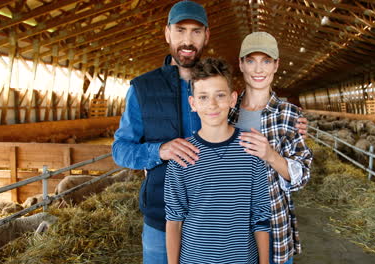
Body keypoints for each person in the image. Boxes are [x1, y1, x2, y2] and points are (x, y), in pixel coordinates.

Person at [112, 1, 308, 263]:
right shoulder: (142, 89)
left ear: (207, 35)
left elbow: (257, 112)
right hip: (163, 218)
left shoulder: (222, 93)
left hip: (228, 226)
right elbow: (120, 149)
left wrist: (289, 125)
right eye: (180, 30)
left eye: (196, 32)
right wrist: (159, 150)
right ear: (167, 33)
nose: (187, 40)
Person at [165, 57, 270, 264]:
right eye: (203, 97)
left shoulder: (251, 150)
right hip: (194, 259)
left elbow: (260, 216)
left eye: (220, 95)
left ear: (232, 99)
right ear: (193, 103)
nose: (212, 104)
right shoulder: (181, 156)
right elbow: (174, 220)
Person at [229, 32, 313, 264]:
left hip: (274, 224)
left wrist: (271, 155)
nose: (259, 69)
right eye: (251, 60)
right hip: (232, 228)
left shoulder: (290, 114)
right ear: (241, 64)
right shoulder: (227, 111)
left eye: (266, 61)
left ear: (276, 65)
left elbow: (302, 176)